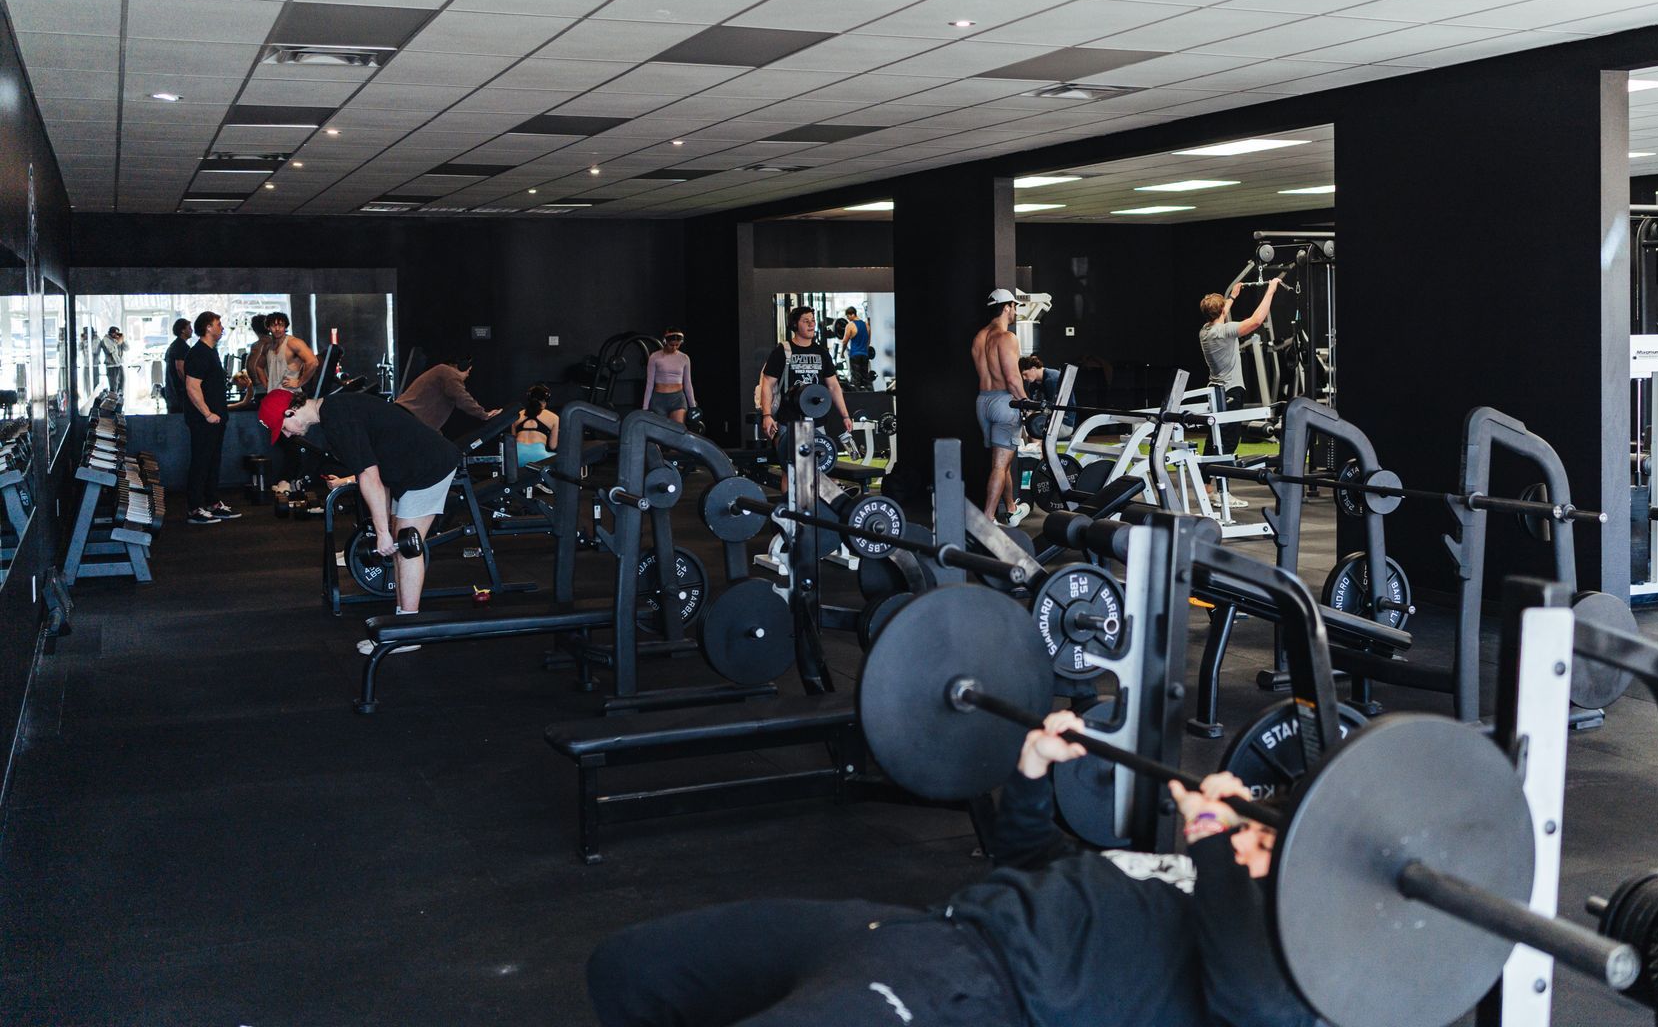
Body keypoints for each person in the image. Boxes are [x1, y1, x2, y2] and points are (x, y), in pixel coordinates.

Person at [585, 710, 1308, 1027]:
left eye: (1267, 843)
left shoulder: (1282, 976)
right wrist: (1031, 772)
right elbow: (1032, 860)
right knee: (628, 969)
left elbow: (1258, 1006)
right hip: (911, 932)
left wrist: (1214, 840)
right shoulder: (1181, 882)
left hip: (979, 995)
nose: (1252, 838)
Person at [260, 386, 459, 649]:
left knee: (406, 547)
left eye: (283, 428)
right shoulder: (335, 412)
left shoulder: (337, 418)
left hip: (428, 468)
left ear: (291, 411)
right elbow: (375, 460)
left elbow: (371, 477)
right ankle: (402, 625)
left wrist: (383, 532)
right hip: (409, 471)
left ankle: (408, 633)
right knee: (402, 546)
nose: (287, 434)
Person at [1198, 277, 1281, 456]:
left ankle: (1207, 484)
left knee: (1214, 437)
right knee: (1229, 441)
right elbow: (1257, 321)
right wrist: (1271, 290)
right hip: (1230, 392)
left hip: (1215, 392)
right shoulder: (1225, 332)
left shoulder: (1205, 331)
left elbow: (1221, 312)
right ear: (1221, 312)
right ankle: (1217, 479)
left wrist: (1233, 296)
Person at [182, 311, 250, 525]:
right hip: (204, 420)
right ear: (208, 328)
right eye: (218, 324)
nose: (221, 327)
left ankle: (211, 503)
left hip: (216, 419)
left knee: (212, 461)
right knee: (201, 462)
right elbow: (192, 387)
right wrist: (207, 413)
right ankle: (194, 508)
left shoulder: (211, 352)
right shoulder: (199, 353)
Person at [758, 306, 856, 451]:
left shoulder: (822, 353)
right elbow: (767, 383)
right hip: (789, 420)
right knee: (790, 468)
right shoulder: (782, 351)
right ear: (794, 325)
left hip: (817, 421)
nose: (811, 324)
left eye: (813, 321)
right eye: (806, 321)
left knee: (818, 467)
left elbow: (833, 386)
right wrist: (767, 415)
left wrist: (845, 416)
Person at [972, 288, 1030, 526]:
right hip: (1004, 402)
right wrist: (1027, 404)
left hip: (983, 402)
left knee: (1001, 461)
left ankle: (1012, 509)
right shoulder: (1007, 338)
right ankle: (987, 519)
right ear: (1007, 307)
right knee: (999, 464)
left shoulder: (979, 337)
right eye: (1014, 306)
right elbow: (1012, 379)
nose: (1015, 311)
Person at [393, 358, 498, 431]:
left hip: (409, 418)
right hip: (412, 419)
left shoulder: (441, 370)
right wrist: (484, 414)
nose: (468, 375)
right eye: (468, 371)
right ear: (461, 367)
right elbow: (462, 398)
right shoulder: (449, 373)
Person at [246, 311, 319, 392]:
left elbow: (313, 362)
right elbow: (259, 367)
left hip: (291, 395)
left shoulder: (294, 343)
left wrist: (299, 382)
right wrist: (267, 385)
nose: (277, 329)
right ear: (268, 327)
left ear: (285, 327)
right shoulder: (267, 347)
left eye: (281, 325)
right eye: (273, 325)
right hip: (273, 394)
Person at [642, 330, 696, 425]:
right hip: (659, 399)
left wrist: (693, 406)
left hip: (678, 399)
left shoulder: (684, 358)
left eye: (677, 345)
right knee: (659, 433)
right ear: (665, 341)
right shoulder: (654, 357)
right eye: (672, 345)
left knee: (677, 431)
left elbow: (688, 383)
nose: (674, 347)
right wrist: (645, 408)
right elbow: (649, 383)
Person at [512, 383, 560, 468]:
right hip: (538, 457)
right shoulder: (553, 417)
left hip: (516, 458)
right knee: (560, 459)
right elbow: (553, 446)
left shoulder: (517, 415)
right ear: (545, 401)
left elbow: (511, 443)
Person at [162, 317, 192, 415]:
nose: (191, 330)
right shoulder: (181, 347)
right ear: (183, 330)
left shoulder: (173, 346)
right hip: (178, 393)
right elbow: (180, 368)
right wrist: (189, 385)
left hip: (171, 392)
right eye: (189, 328)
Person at [842, 306, 873, 390]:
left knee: (856, 380)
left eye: (848, 316)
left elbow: (844, 341)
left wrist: (842, 353)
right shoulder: (866, 325)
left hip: (855, 355)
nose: (847, 319)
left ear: (852, 314)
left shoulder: (850, 325)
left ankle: (857, 400)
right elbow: (868, 341)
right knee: (865, 378)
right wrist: (864, 351)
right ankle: (869, 398)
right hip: (865, 355)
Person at [96, 326, 127, 396]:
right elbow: (111, 350)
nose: (116, 335)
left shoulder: (117, 340)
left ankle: (119, 402)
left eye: (118, 333)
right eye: (115, 333)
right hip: (111, 366)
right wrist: (117, 342)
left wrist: (123, 340)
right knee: (113, 387)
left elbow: (127, 348)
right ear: (111, 333)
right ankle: (112, 403)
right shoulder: (106, 339)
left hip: (119, 365)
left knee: (122, 384)